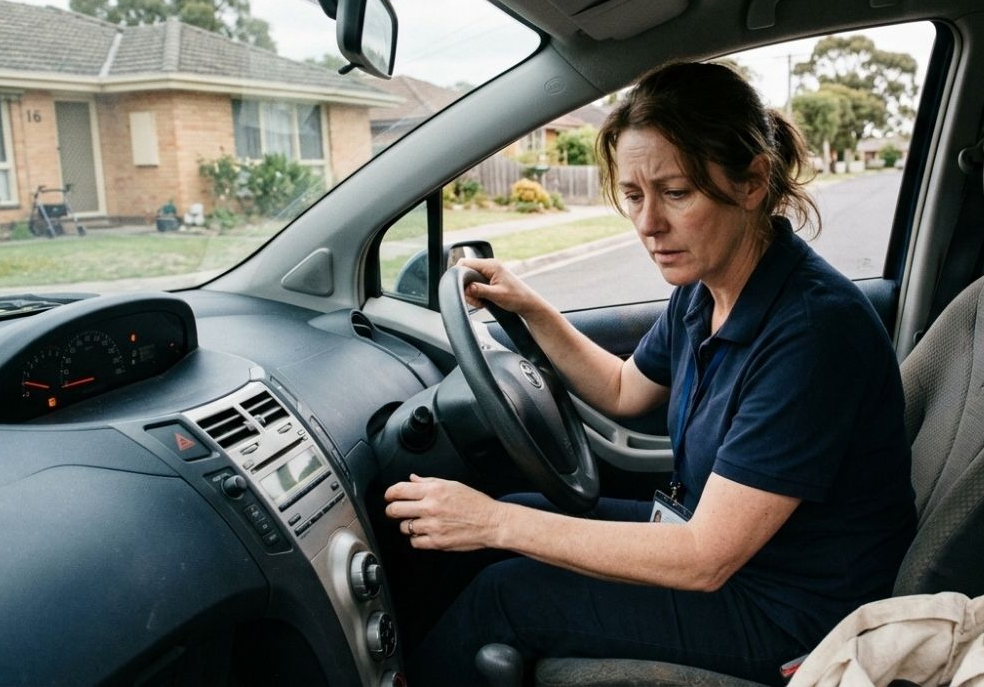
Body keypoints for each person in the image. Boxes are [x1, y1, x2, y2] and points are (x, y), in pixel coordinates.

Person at [384, 61, 916, 685]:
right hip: (732, 554)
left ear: (752, 182)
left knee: (506, 589)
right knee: (508, 515)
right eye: (634, 196)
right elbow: (623, 390)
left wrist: (492, 524)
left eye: (677, 193)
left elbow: (703, 558)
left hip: (793, 612)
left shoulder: (812, 332)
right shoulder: (705, 289)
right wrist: (530, 307)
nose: (648, 224)